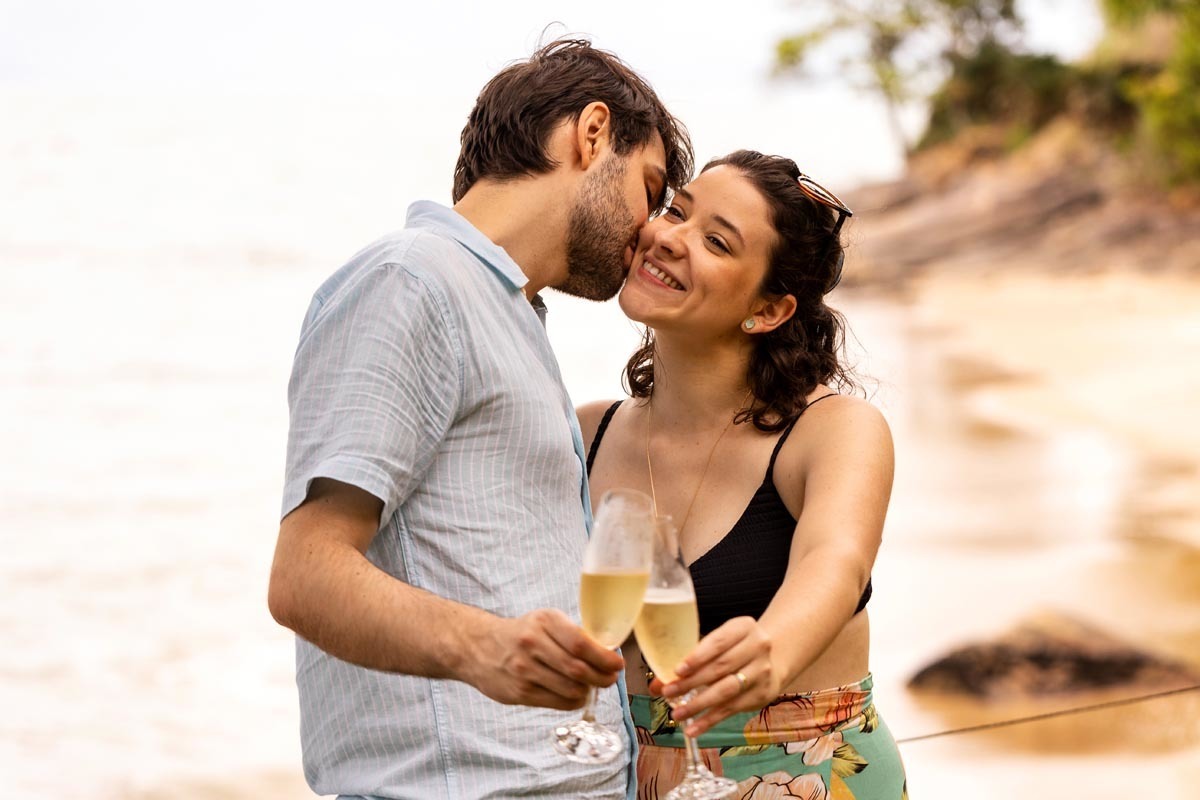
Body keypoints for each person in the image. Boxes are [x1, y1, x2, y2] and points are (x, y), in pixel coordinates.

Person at [267, 39, 693, 799]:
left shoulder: (508, 312)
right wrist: (486, 648)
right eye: (649, 187)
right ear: (591, 133)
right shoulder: (413, 281)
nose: (651, 230)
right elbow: (305, 575)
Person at [580, 150, 908, 799]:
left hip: (808, 776)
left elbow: (836, 562)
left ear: (769, 310)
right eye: (676, 210)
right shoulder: (583, 433)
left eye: (716, 241)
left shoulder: (832, 430)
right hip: (621, 780)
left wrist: (773, 650)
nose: (669, 238)